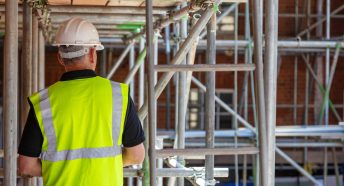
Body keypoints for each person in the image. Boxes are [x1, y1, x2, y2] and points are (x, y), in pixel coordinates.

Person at [18, 17, 145, 186]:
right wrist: (104, 166)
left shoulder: (43, 102)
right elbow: (136, 155)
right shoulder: (118, 94)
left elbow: (26, 166)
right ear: (93, 53)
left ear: (60, 58)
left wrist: (62, 167)